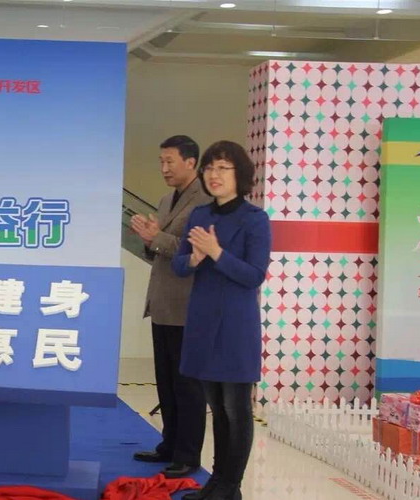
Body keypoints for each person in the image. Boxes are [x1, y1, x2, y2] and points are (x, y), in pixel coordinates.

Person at [172, 140, 271, 500]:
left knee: (235, 408)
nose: (214, 175)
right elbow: (179, 264)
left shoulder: (255, 219)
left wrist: (216, 253)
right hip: (202, 320)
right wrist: (194, 259)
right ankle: (216, 481)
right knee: (216, 406)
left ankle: (231, 485)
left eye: (223, 168)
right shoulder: (199, 215)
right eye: (210, 168)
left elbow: (254, 275)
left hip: (235, 325)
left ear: (240, 175)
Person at [130, 135, 211, 478]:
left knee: (187, 385)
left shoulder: (205, 201)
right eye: (161, 162)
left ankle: (188, 454)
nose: (164, 168)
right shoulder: (166, 200)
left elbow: (194, 249)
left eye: (170, 162)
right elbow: (160, 250)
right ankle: (169, 443)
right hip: (163, 301)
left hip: (188, 305)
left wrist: (156, 238)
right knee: (164, 381)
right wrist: (149, 241)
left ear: (191, 162)